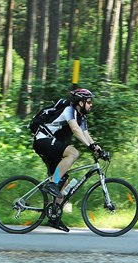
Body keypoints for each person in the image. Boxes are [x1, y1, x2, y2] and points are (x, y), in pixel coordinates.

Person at [33, 88, 103, 232]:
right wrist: (90, 146)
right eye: (89, 102)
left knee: (63, 181)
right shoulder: (69, 110)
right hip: (43, 140)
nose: (91, 105)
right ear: (80, 102)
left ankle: (54, 217)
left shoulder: (81, 117)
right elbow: (75, 130)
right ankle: (52, 183)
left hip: (50, 144)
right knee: (73, 152)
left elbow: (86, 134)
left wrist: (97, 148)